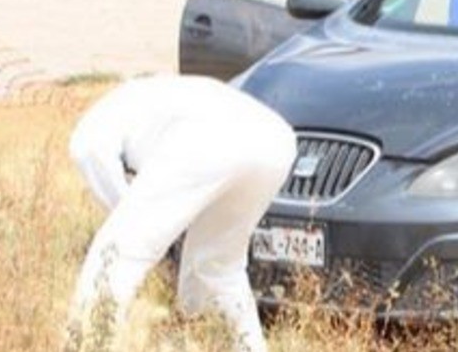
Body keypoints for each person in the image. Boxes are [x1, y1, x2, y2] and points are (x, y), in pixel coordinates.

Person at [66, 75, 297, 352]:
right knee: (217, 268)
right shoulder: (147, 101)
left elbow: (125, 215)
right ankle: (221, 343)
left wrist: (146, 233)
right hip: (275, 142)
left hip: (209, 137)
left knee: (117, 251)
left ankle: (85, 344)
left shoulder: (92, 131)